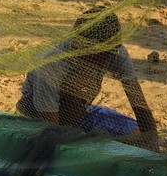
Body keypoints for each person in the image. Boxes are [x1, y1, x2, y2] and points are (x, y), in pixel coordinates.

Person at [17, 11, 157, 142]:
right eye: (94, 56)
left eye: (104, 55)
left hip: (83, 112)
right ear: (81, 49)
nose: (100, 61)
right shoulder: (51, 66)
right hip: (36, 112)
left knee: (134, 130)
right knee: (57, 139)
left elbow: (139, 105)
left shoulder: (116, 52)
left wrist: (152, 145)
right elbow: (51, 129)